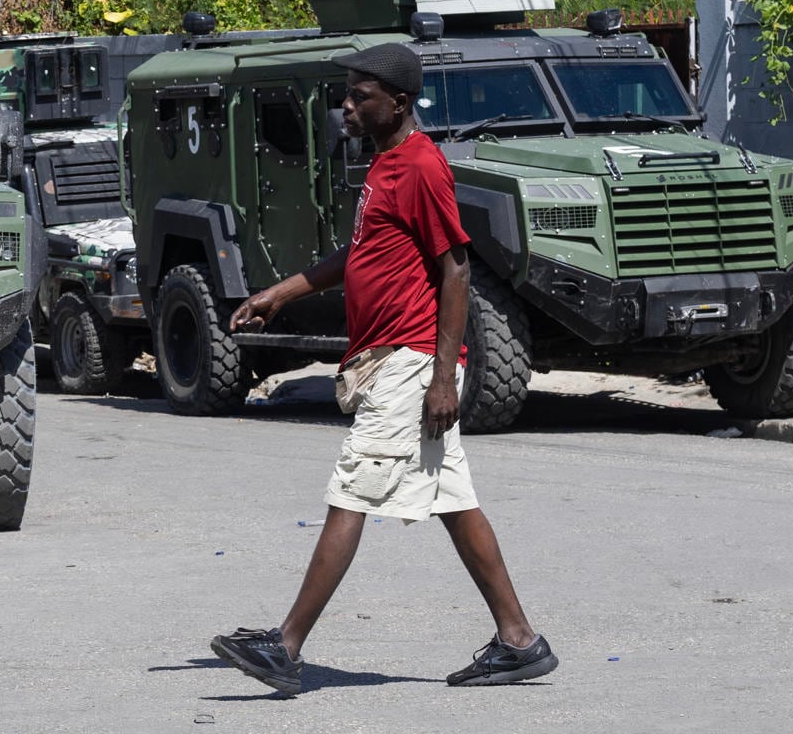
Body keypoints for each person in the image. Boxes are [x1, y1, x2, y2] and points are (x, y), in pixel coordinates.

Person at [208, 42, 556, 696]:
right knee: (454, 500)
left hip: (407, 360)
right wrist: (279, 294)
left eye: (358, 96)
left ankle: (285, 647)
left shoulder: (422, 167)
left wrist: (446, 374)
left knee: (351, 491)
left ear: (397, 103)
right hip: (398, 356)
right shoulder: (384, 165)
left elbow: (456, 267)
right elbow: (362, 251)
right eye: (346, 94)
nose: (345, 106)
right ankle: (518, 641)